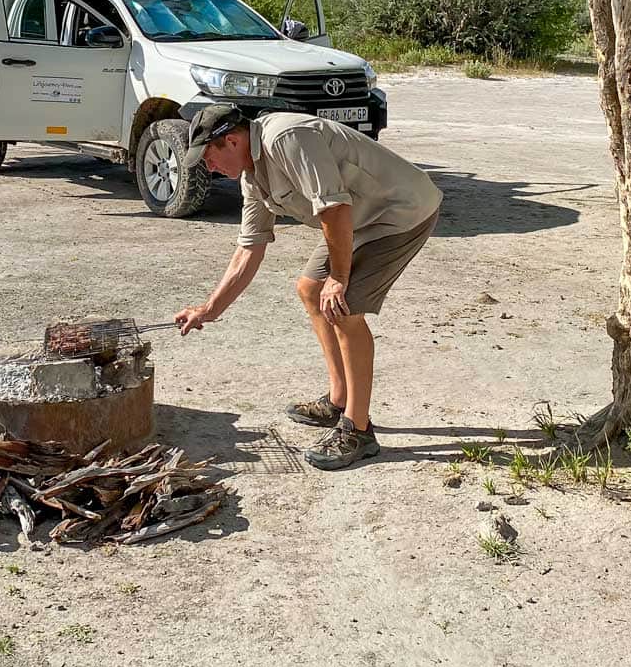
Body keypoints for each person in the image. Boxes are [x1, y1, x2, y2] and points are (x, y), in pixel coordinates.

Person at [172, 104, 441, 469]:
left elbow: (333, 208)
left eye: (209, 157)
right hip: (357, 217)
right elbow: (249, 248)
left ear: (231, 141)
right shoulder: (253, 177)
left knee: (343, 310)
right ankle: (338, 398)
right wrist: (210, 309)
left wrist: (340, 278)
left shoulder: (285, 137)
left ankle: (358, 430)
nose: (209, 168)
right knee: (309, 289)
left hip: (399, 212)